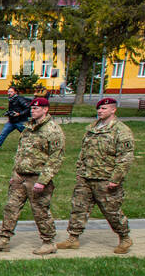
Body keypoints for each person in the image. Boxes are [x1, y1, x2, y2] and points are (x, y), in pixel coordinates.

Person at [57, 97, 134, 254]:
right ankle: (73, 238)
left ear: (113, 110)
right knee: (78, 208)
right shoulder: (92, 128)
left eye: (104, 109)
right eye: (99, 109)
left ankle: (124, 238)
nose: (100, 111)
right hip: (86, 177)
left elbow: (125, 158)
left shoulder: (121, 130)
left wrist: (116, 178)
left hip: (105, 178)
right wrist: (80, 171)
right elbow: (84, 152)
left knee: (111, 211)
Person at [0, 97, 64, 255]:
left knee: (40, 211)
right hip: (20, 176)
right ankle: (4, 240)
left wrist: (43, 181)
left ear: (45, 110)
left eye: (37, 109)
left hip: (37, 178)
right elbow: (21, 152)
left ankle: (48, 242)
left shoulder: (52, 130)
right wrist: (15, 173)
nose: (33, 111)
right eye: (32, 108)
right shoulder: (28, 127)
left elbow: (55, 159)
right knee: (11, 207)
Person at [0, 86, 31, 150]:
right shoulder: (11, 99)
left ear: (15, 92)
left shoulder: (20, 99)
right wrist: (8, 113)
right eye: (8, 92)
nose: (9, 93)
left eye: (11, 92)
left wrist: (19, 114)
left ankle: (31, 146)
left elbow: (28, 108)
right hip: (11, 121)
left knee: (26, 134)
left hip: (20, 121)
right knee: (3, 133)